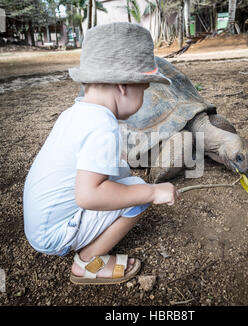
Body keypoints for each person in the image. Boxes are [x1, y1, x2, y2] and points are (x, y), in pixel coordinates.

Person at [23, 22, 180, 285]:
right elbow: (88, 195)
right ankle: (86, 262)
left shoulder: (76, 113)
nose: (144, 96)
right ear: (123, 86)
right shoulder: (102, 125)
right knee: (138, 194)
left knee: (125, 180)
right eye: (144, 88)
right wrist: (153, 192)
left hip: (41, 224)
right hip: (53, 234)